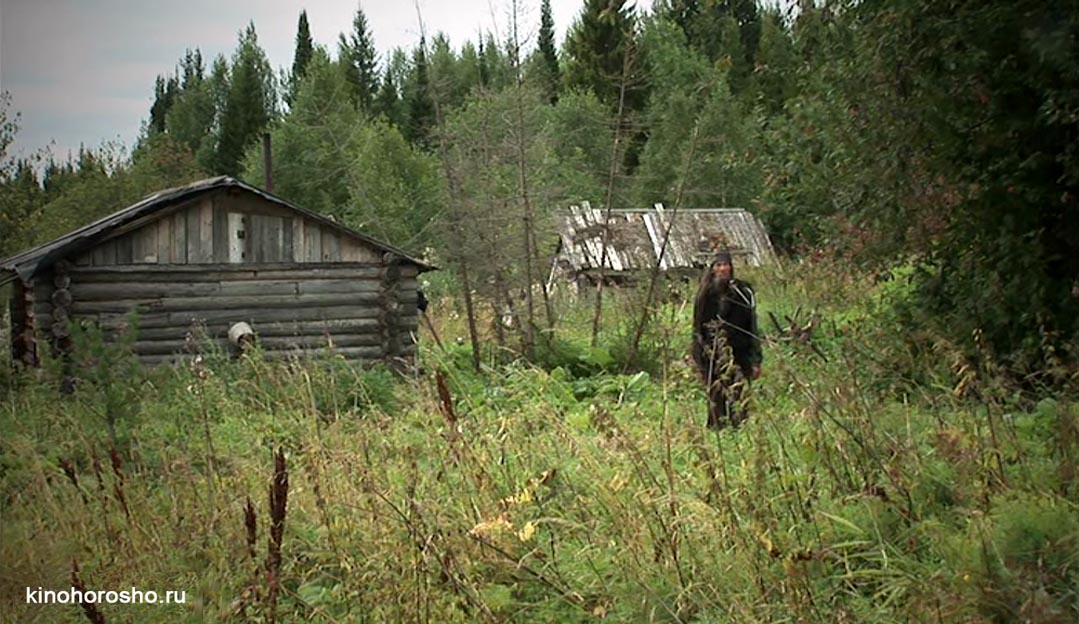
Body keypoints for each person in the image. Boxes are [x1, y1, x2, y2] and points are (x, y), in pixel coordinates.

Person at [691, 251, 762, 429]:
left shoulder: (743, 291)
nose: (723, 269)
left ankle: (740, 429)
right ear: (713, 269)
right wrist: (698, 359)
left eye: (726, 265)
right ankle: (719, 430)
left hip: (740, 352)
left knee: (739, 396)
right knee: (717, 398)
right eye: (718, 265)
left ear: (731, 267)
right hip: (713, 354)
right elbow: (698, 328)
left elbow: (752, 326)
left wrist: (756, 360)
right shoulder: (706, 294)